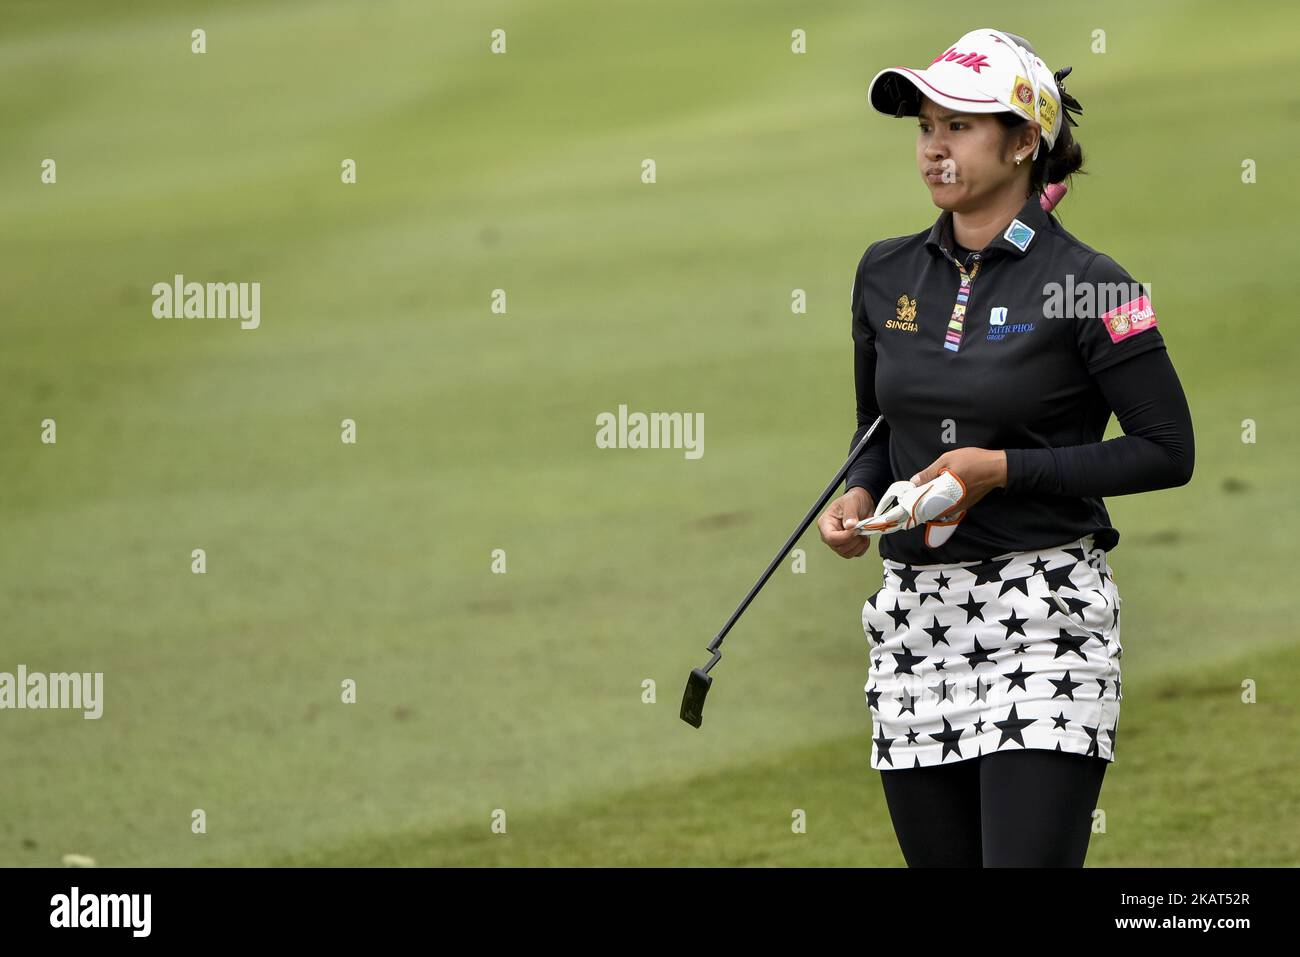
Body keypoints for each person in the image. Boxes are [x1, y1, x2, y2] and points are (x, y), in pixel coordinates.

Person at [816, 28, 1195, 867]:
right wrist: (852, 498)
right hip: (915, 621)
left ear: (1026, 142)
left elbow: (1168, 449)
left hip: (1045, 615)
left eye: (960, 126)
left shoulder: (1095, 283)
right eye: (925, 126)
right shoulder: (883, 274)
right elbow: (874, 434)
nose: (934, 147)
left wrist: (1004, 472)